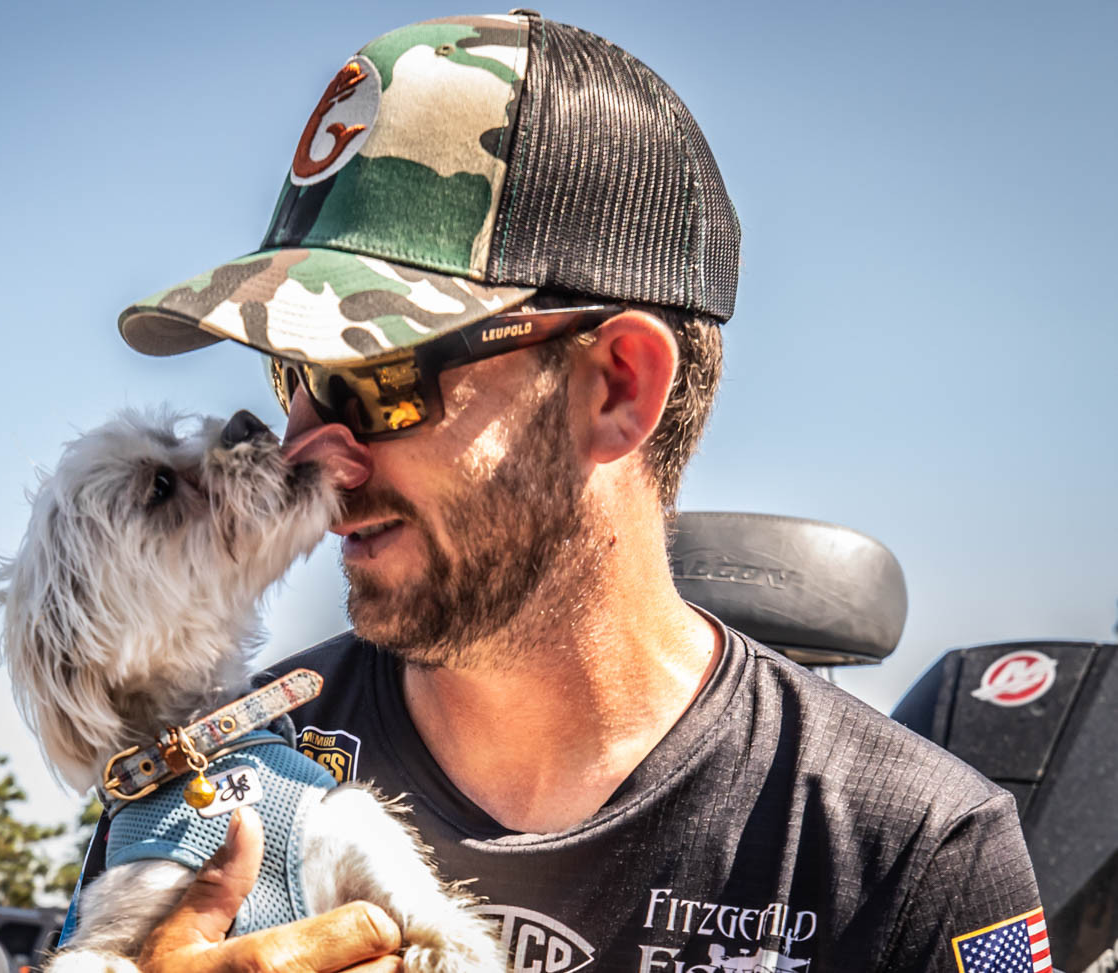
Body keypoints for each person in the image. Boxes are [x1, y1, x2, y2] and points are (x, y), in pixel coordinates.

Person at [79, 12, 1046, 972]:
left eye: (375, 376)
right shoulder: (213, 780)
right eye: (292, 375)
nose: (306, 446)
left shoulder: (918, 854)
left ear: (618, 386)